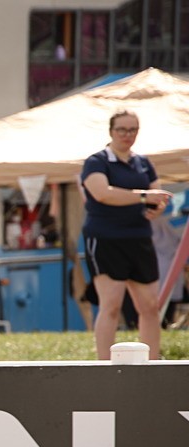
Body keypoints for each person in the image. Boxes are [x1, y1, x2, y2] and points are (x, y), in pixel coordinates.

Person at [80, 110, 172, 360]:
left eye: (132, 130)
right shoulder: (96, 161)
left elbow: (157, 193)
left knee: (150, 306)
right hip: (106, 238)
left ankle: (151, 363)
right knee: (111, 306)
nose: (127, 135)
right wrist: (143, 197)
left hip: (139, 237)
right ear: (111, 131)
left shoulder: (143, 162)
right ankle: (104, 365)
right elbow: (102, 193)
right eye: (122, 130)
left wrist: (156, 206)